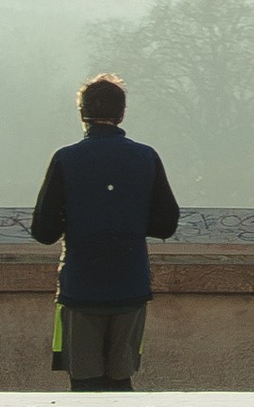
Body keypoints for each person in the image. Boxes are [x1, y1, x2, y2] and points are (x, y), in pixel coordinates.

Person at [31, 73, 180, 390]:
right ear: (122, 113)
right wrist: (130, 221)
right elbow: (167, 222)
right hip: (130, 284)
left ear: (81, 113)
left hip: (81, 287)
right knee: (120, 381)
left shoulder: (66, 159)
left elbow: (43, 230)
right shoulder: (146, 157)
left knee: (85, 382)